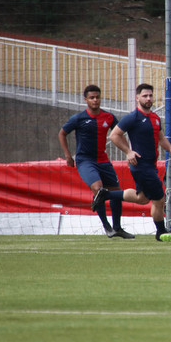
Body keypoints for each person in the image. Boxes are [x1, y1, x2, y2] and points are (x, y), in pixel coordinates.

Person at [93, 83, 171, 241]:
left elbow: (160, 138)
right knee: (159, 199)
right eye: (145, 96)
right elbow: (114, 135)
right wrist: (128, 151)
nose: (148, 98)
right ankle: (161, 232)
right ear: (137, 97)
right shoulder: (133, 117)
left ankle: (107, 194)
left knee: (142, 198)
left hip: (150, 165)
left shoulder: (155, 118)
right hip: (140, 165)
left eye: (150, 95)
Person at [58, 84, 134, 239]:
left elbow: (119, 134)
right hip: (85, 161)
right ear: (86, 100)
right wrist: (68, 156)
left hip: (103, 161)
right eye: (92, 98)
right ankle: (107, 227)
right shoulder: (79, 118)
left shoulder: (109, 117)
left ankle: (117, 227)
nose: (95, 100)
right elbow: (62, 133)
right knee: (98, 189)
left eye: (97, 97)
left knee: (116, 193)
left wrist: (128, 152)